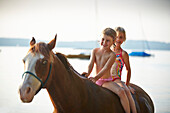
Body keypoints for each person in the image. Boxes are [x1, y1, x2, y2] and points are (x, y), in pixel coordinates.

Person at [82, 27, 131, 113]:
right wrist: (88, 73)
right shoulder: (95, 51)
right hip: (95, 79)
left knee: (121, 92)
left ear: (113, 42)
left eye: (108, 41)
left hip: (106, 82)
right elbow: (91, 64)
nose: (104, 42)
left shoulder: (112, 55)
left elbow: (106, 68)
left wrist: (96, 78)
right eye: (102, 39)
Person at [111, 27, 137, 113]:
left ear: (124, 39)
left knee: (126, 92)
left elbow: (128, 70)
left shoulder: (124, 54)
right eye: (117, 37)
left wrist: (127, 84)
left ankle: (133, 111)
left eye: (121, 37)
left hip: (116, 79)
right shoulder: (108, 51)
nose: (118, 39)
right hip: (106, 78)